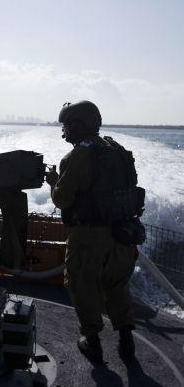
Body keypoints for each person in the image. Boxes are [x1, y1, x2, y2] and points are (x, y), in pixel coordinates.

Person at [45, 101, 140, 362]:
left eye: (67, 125)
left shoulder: (77, 156)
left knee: (82, 285)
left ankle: (92, 342)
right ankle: (126, 342)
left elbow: (62, 199)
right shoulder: (116, 150)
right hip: (122, 234)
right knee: (117, 285)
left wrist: (53, 182)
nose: (64, 130)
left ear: (79, 125)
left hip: (89, 237)